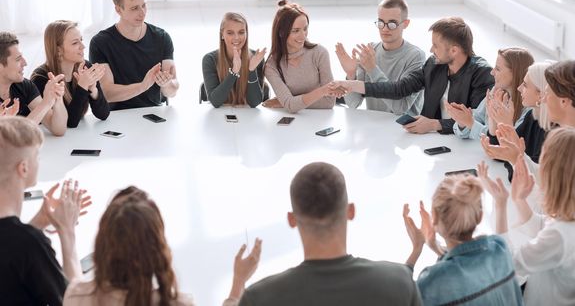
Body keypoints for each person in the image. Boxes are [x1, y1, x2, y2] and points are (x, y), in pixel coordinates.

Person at [239, 162, 421, 306]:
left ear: (292, 219)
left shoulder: (260, 298)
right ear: (350, 211)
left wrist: (237, 284)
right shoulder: (400, 282)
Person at [64, 186, 262, 306]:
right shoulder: (178, 303)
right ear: (157, 248)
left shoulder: (77, 296)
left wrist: (67, 231)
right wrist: (238, 283)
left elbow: (75, 281)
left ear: (102, 244)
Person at [331, 17, 494, 134]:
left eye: (435, 46)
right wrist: (352, 84)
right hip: (430, 140)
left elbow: (475, 121)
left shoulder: (482, 74)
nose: (431, 50)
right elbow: (399, 88)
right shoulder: (434, 65)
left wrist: (435, 124)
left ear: (454, 50)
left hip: (463, 147)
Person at [479, 127, 575, 306]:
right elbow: (544, 225)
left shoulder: (559, 236)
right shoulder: (567, 218)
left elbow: (508, 267)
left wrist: (500, 205)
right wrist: (519, 200)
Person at [0, 116, 90, 305]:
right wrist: (67, 231)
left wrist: (39, 221)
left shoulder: (21, 242)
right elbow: (73, 301)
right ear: (23, 168)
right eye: (37, 156)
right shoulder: (29, 245)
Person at [403, 174, 523, 305]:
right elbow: (467, 263)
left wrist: (417, 248)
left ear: (435, 219)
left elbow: (402, 297)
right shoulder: (500, 249)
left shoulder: (431, 281)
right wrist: (436, 248)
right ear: (480, 216)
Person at [89, 0, 179, 110]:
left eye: (144, 5)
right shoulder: (100, 43)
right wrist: (143, 86)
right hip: (117, 115)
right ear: (118, 10)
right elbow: (107, 93)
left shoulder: (162, 37)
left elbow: (172, 91)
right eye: (134, 8)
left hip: (153, 111)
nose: (142, 13)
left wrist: (166, 84)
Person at [335, 0, 425, 115]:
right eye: (381, 22)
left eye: (392, 24)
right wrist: (351, 74)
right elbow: (353, 103)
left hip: (403, 129)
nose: (385, 29)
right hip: (374, 126)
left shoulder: (416, 56)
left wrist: (372, 69)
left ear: (405, 24)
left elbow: (400, 109)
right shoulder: (370, 51)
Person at [480, 61, 554, 181]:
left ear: (541, 94)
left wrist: (506, 125)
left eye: (525, 85)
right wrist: (494, 118)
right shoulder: (532, 116)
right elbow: (502, 155)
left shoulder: (556, 131)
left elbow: (521, 176)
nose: (519, 88)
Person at [31, 20, 110, 128]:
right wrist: (82, 86)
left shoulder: (85, 66)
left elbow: (104, 114)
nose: (83, 46)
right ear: (58, 50)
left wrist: (93, 90)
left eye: (81, 40)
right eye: (75, 43)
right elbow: (69, 123)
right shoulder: (41, 78)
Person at [263, 0, 337, 113]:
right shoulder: (271, 65)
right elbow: (290, 105)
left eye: (305, 29)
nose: (303, 36)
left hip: (321, 118)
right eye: (296, 31)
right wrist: (289, 103)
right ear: (281, 32)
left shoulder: (319, 53)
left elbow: (329, 101)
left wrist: (286, 102)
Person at [447, 47, 533, 140]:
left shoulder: (529, 108)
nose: (492, 72)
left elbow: (504, 141)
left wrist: (471, 124)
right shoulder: (496, 91)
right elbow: (470, 126)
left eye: (498, 69)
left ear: (515, 73)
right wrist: (462, 122)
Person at [0, 32, 68, 136]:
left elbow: (59, 129)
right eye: (18, 59)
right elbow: (13, 138)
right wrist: (45, 103)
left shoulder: (24, 85)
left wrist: (56, 99)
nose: (25, 63)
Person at [202, 12, 267, 108]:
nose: (236, 38)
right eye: (230, 33)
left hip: (247, 117)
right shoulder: (210, 59)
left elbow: (254, 102)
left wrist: (251, 70)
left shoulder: (255, 59)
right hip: (218, 117)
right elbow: (215, 102)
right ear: (222, 35)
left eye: (241, 32)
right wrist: (234, 72)